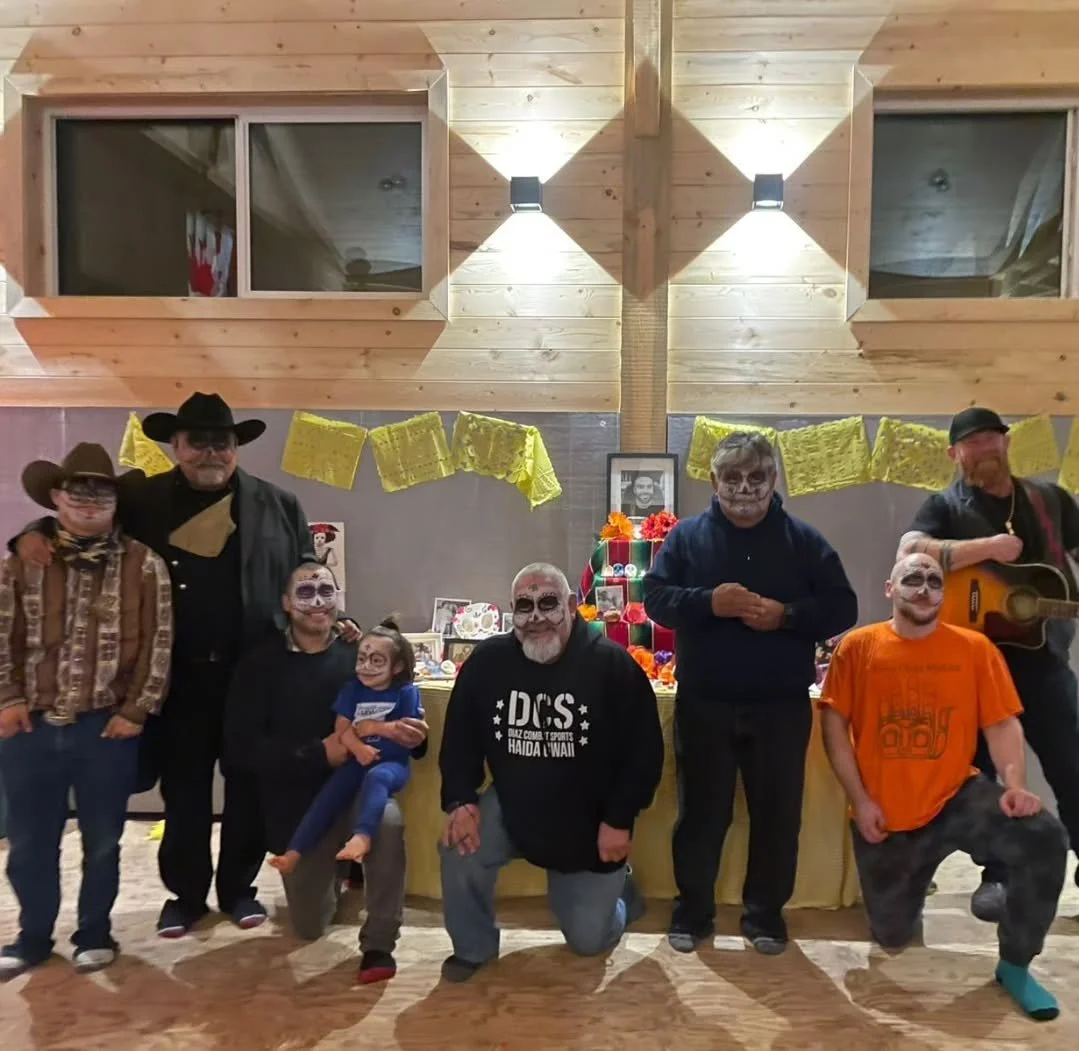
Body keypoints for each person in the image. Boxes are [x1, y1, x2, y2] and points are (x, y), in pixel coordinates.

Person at [11, 393, 317, 938]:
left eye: (220, 442)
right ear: (174, 446)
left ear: (235, 449)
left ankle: (239, 889)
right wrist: (28, 533)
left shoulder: (280, 504)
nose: (209, 453)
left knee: (247, 786)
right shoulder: (139, 497)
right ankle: (185, 895)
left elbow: (309, 569)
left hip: (253, 675)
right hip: (175, 676)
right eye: (196, 441)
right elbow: (81, 515)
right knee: (185, 790)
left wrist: (333, 616)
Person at [819, 552, 1067, 1021]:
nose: (924, 587)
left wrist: (1015, 784)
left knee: (1043, 836)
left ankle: (1015, 965)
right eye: (912, 578)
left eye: (934, 580)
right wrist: (860, 800)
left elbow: (1001, 723)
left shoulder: (974, 648)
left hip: (957, 796)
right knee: (892, 936)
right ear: (891, 590)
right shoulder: (857, 647)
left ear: (944, 594)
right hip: (888, 813)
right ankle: (911, 891)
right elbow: (835, 727)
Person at [643, 431, 857, 955]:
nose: (744, 488)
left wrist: (788, 617)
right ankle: (693, 912)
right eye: (732, 478)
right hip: (704, 703)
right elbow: (654, 600)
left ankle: (765, 914)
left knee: (778, 814)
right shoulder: (686, 538)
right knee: (701, 815)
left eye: (756, 476)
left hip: (781, 706)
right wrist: (707, 602)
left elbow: (842, 608)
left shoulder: (805, 542)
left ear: (774, 479)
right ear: (713, 481)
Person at [438, 562, 664, 983]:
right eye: (525, 606)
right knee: (457, 846)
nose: (537, 616)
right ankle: (474, 947)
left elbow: (645, 755)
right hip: (513, 805)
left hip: (588, 822)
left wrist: (619, 819)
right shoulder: (487, 663)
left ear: (573, 606)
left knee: (588, 942)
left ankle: (620, 895)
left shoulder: (612, 667)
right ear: (512, 612)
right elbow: (459, 739)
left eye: (548, 603)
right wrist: (461, 800)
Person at [899, 406, 1079, 923]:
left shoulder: (1049, 500)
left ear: (1006, 443)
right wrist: (988, 548)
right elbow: (910, 550)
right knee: (979, 775)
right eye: (972, 443)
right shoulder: (945, 506)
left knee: (1070, 767)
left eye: (992, 439)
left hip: (1043, 663)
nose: (985, 449)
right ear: (955, 454)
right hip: (970, 669)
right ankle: (996, 875)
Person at [0, 444, 173, 979]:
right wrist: (6, 697)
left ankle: (94, 932)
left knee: (103, 841)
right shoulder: (20, 562)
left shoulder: (145, 564)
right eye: (79, 490)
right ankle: (32, 936)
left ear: (117, 501)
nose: (90, 500)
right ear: (56, 497)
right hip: (29, 725)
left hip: (107, 727)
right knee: (29, 841)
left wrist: (138, 710)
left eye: (102, 491)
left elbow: (158, 643)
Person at [223, 562, 427, 984]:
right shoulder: (260, 664)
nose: (317, 601)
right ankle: (333, 875)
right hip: (299, 804)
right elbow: (241, 750)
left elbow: (403, 717)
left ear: (338, 598)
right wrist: (318, 753)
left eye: (325, 591)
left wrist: (414, 737)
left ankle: (378, 944)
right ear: (285, 603)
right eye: (305, 592)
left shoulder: (362, 655)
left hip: (357, 791)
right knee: (310, 926)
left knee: (386, 821)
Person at [270, 619, 420, 873]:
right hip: (355, 760)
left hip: (391, 763)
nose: (366, 667)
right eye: (362, 659)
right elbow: (342, 727)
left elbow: (405, 731)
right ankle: (294, 852)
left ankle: (363, 836)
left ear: (397, 666)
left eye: (377, 661)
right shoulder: (353, 690)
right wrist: (358, 747)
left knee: (377, 777)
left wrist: (373, 728)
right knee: (327, 797)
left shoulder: (406, 693)